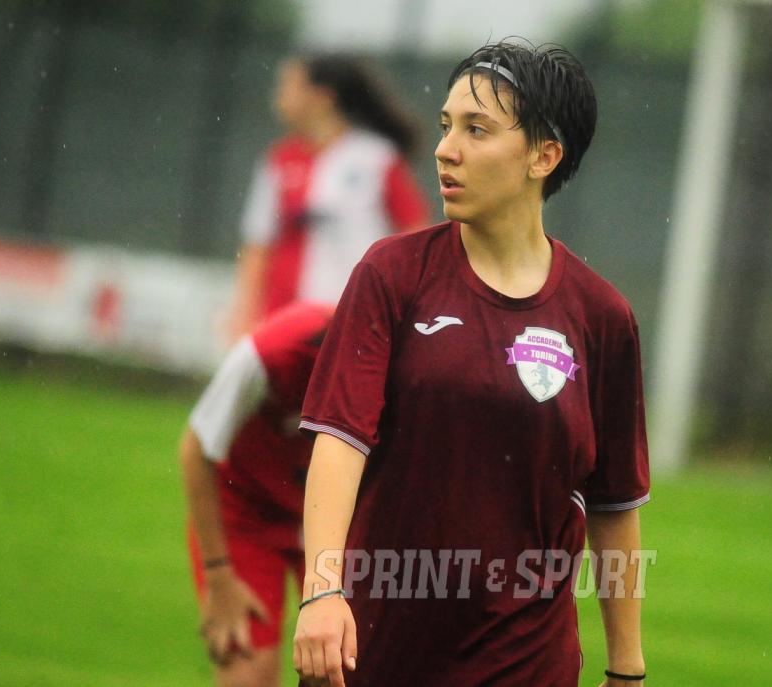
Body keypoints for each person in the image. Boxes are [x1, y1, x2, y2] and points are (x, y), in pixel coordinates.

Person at [292, 40, 650, 687]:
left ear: (543, 156)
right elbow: (339, 442)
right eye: (446, 126)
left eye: (476, 129)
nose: (445, 149)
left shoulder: (602, 318)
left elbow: (615, 501)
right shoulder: (391, 275)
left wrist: (626, 669)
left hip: (527, 662)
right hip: (376, 650)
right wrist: (322, 591)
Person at [225, 54, 429, 342]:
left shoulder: (377, 158)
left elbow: (415, 233)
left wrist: (403, 303)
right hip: (282, 317)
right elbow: (258, 244)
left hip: (353, 318)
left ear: (322, 97)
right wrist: (243, 311)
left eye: (288, 86)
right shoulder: (280, 160)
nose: (278, 96)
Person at [180, 301, 332, 686]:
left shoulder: (402, 364)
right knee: (247, 673)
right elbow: (196, 449)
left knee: (341, 667)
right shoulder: (271, 352)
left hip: (335, 521)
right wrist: (219, 577)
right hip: (246, 516)